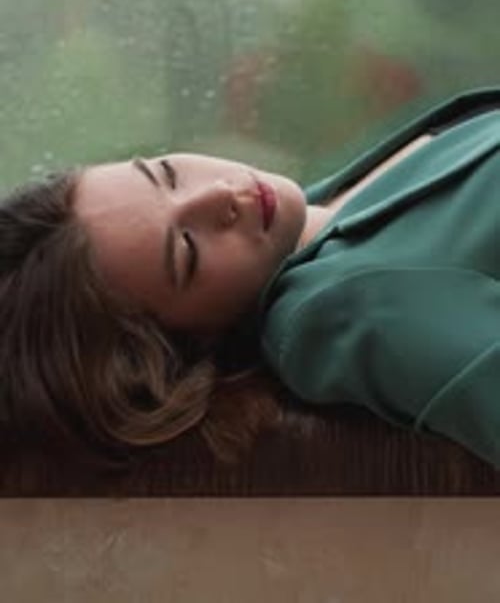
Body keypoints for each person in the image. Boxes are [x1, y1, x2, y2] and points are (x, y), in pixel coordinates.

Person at [1, 85, 500, 469]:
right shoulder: (338, 310)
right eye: (187, 250)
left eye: (167, 173)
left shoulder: (313, 210)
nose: (218, 194)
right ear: (187, 350)